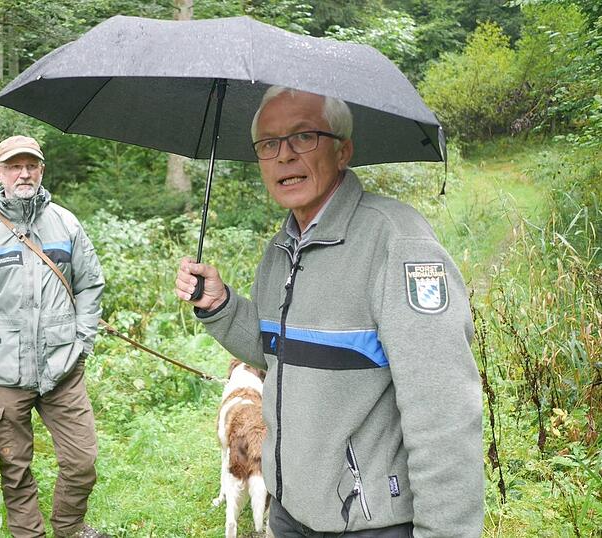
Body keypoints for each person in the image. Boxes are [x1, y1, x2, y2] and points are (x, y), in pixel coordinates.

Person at [175, 87, 484, 537]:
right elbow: (274, 352)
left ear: (344, 151)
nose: (283, 156)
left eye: (303, 137)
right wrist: (220, 305)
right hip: (289, 512)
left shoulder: (397, 244)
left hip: (368, 523)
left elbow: (444, 411)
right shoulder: (281, 251)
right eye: (268, 143)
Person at [0, 135, 106, 538]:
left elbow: (90, 284)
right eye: (14, 166)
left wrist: (82, 340)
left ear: (42, 170)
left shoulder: (66, 224)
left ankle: (69, 528)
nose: (24, 173)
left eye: (31, 165)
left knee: (82, 460)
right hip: (2, 373)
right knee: (15, 471)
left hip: (62, 368)